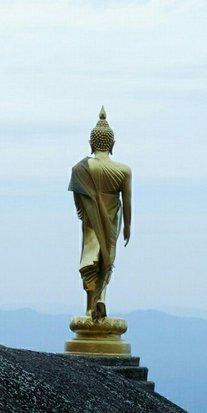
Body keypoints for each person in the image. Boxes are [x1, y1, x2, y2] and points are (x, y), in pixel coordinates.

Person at [67, 107, 132, 319]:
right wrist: (128, 227)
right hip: (112, 219)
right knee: (107, 260)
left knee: (90, 259)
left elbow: (78, 196)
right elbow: (127, 202)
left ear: (91, 144)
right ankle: (101, 298)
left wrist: (83, 212)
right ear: (112, 145)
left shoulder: (81, 168)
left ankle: (89, 306)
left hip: (90, 219)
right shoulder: (123, 171)